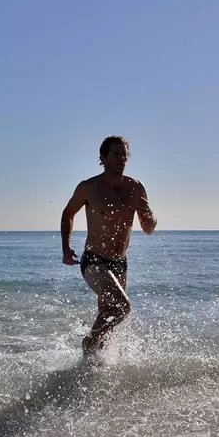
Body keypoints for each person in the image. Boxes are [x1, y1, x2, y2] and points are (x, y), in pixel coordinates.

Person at [60, 136, 157, 359]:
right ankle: (89, 343)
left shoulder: (135, 187)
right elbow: (68, 213)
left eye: (124, 154)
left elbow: (149, 228)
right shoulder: (89, 187)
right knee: (122, 307)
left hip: (120, 263)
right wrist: (66, 247)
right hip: (94, 260)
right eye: (115, 154)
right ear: (103, 158)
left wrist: (149, 213)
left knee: (107, 316)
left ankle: (92, 368)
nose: (121, 158)